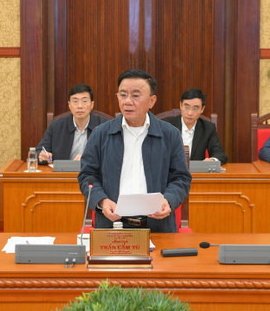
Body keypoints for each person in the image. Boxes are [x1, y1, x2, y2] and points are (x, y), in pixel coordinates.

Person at [78, 69, 192, 232]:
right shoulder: (101, 134)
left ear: (152, 101)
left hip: (157, 227)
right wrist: (102, 200)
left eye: (136, 96)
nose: (127, 101)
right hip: (113, 226)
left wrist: (168, 200)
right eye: (123, 95)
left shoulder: (170, 135)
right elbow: (87, 176)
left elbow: (181, 178)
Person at [36, 84, 108, 163]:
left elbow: (112, 155)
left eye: (84, 101)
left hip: (93, 170)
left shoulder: (105, 126)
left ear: (92, 104)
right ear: (69, 105)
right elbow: (39, 151)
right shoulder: (56, 125)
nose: (80, 106)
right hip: (63, 170)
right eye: (75, 101)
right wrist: (42, 156)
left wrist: (89, 159)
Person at [163, 88, 228, 164]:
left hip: (196, 171)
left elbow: (220, 154)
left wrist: (212, 160)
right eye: (187, 107)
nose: (190, 113)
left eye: (195, 109)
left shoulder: (208, 128)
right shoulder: (167, 126)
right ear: (181, 105)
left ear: (202, 109)